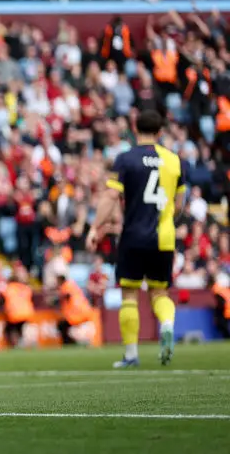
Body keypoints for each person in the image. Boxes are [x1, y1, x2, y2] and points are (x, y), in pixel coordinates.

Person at [87, 109, 184, 369]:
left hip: (133, 235)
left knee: (130, 294)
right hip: (164, 237)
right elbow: (180, 202)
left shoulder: (126, 159)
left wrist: (95, 228)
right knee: (159, 291)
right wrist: (168, 222)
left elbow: (110, 197)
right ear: (161, 131)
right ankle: (166, 324)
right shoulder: (173, 160)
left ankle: (131, 355)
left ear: (134, 127)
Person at [56, 273, 94, 346]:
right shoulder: (72, 285)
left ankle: (69, 344)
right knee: (64, 326)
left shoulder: (66, 286)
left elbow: (67, 295)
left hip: (76, 314)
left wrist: (56, 300)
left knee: (62, 326)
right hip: (83, 312)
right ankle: (72, 343)